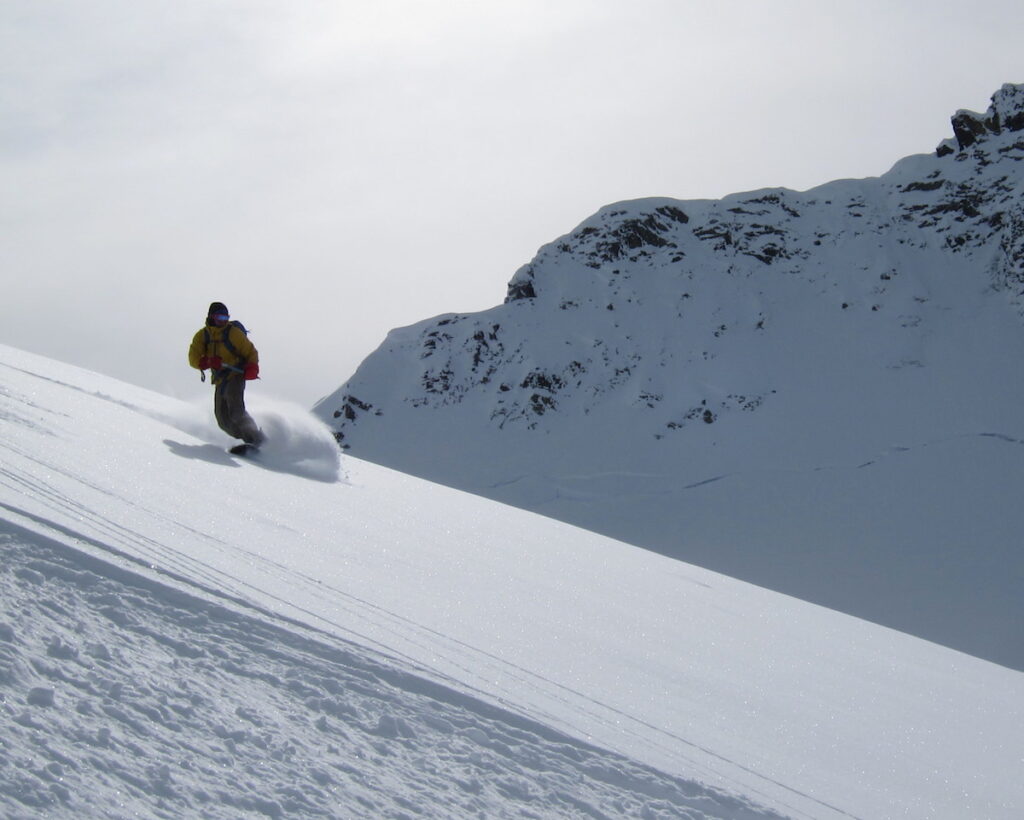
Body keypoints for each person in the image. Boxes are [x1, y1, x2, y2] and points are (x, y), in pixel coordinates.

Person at [188, 302, 264, 451]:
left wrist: (252, 367)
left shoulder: (233, 333)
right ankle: (247, 439)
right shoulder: (203, 336)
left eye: (225, 317)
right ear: (211, 317)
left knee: (235, 408)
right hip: (220, 378)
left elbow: (250, 351)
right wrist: (205, 362)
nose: (223, 320)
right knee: (222, 419)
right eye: (219, 316)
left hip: (236, 373)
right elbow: (193, 356)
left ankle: (255, 439)